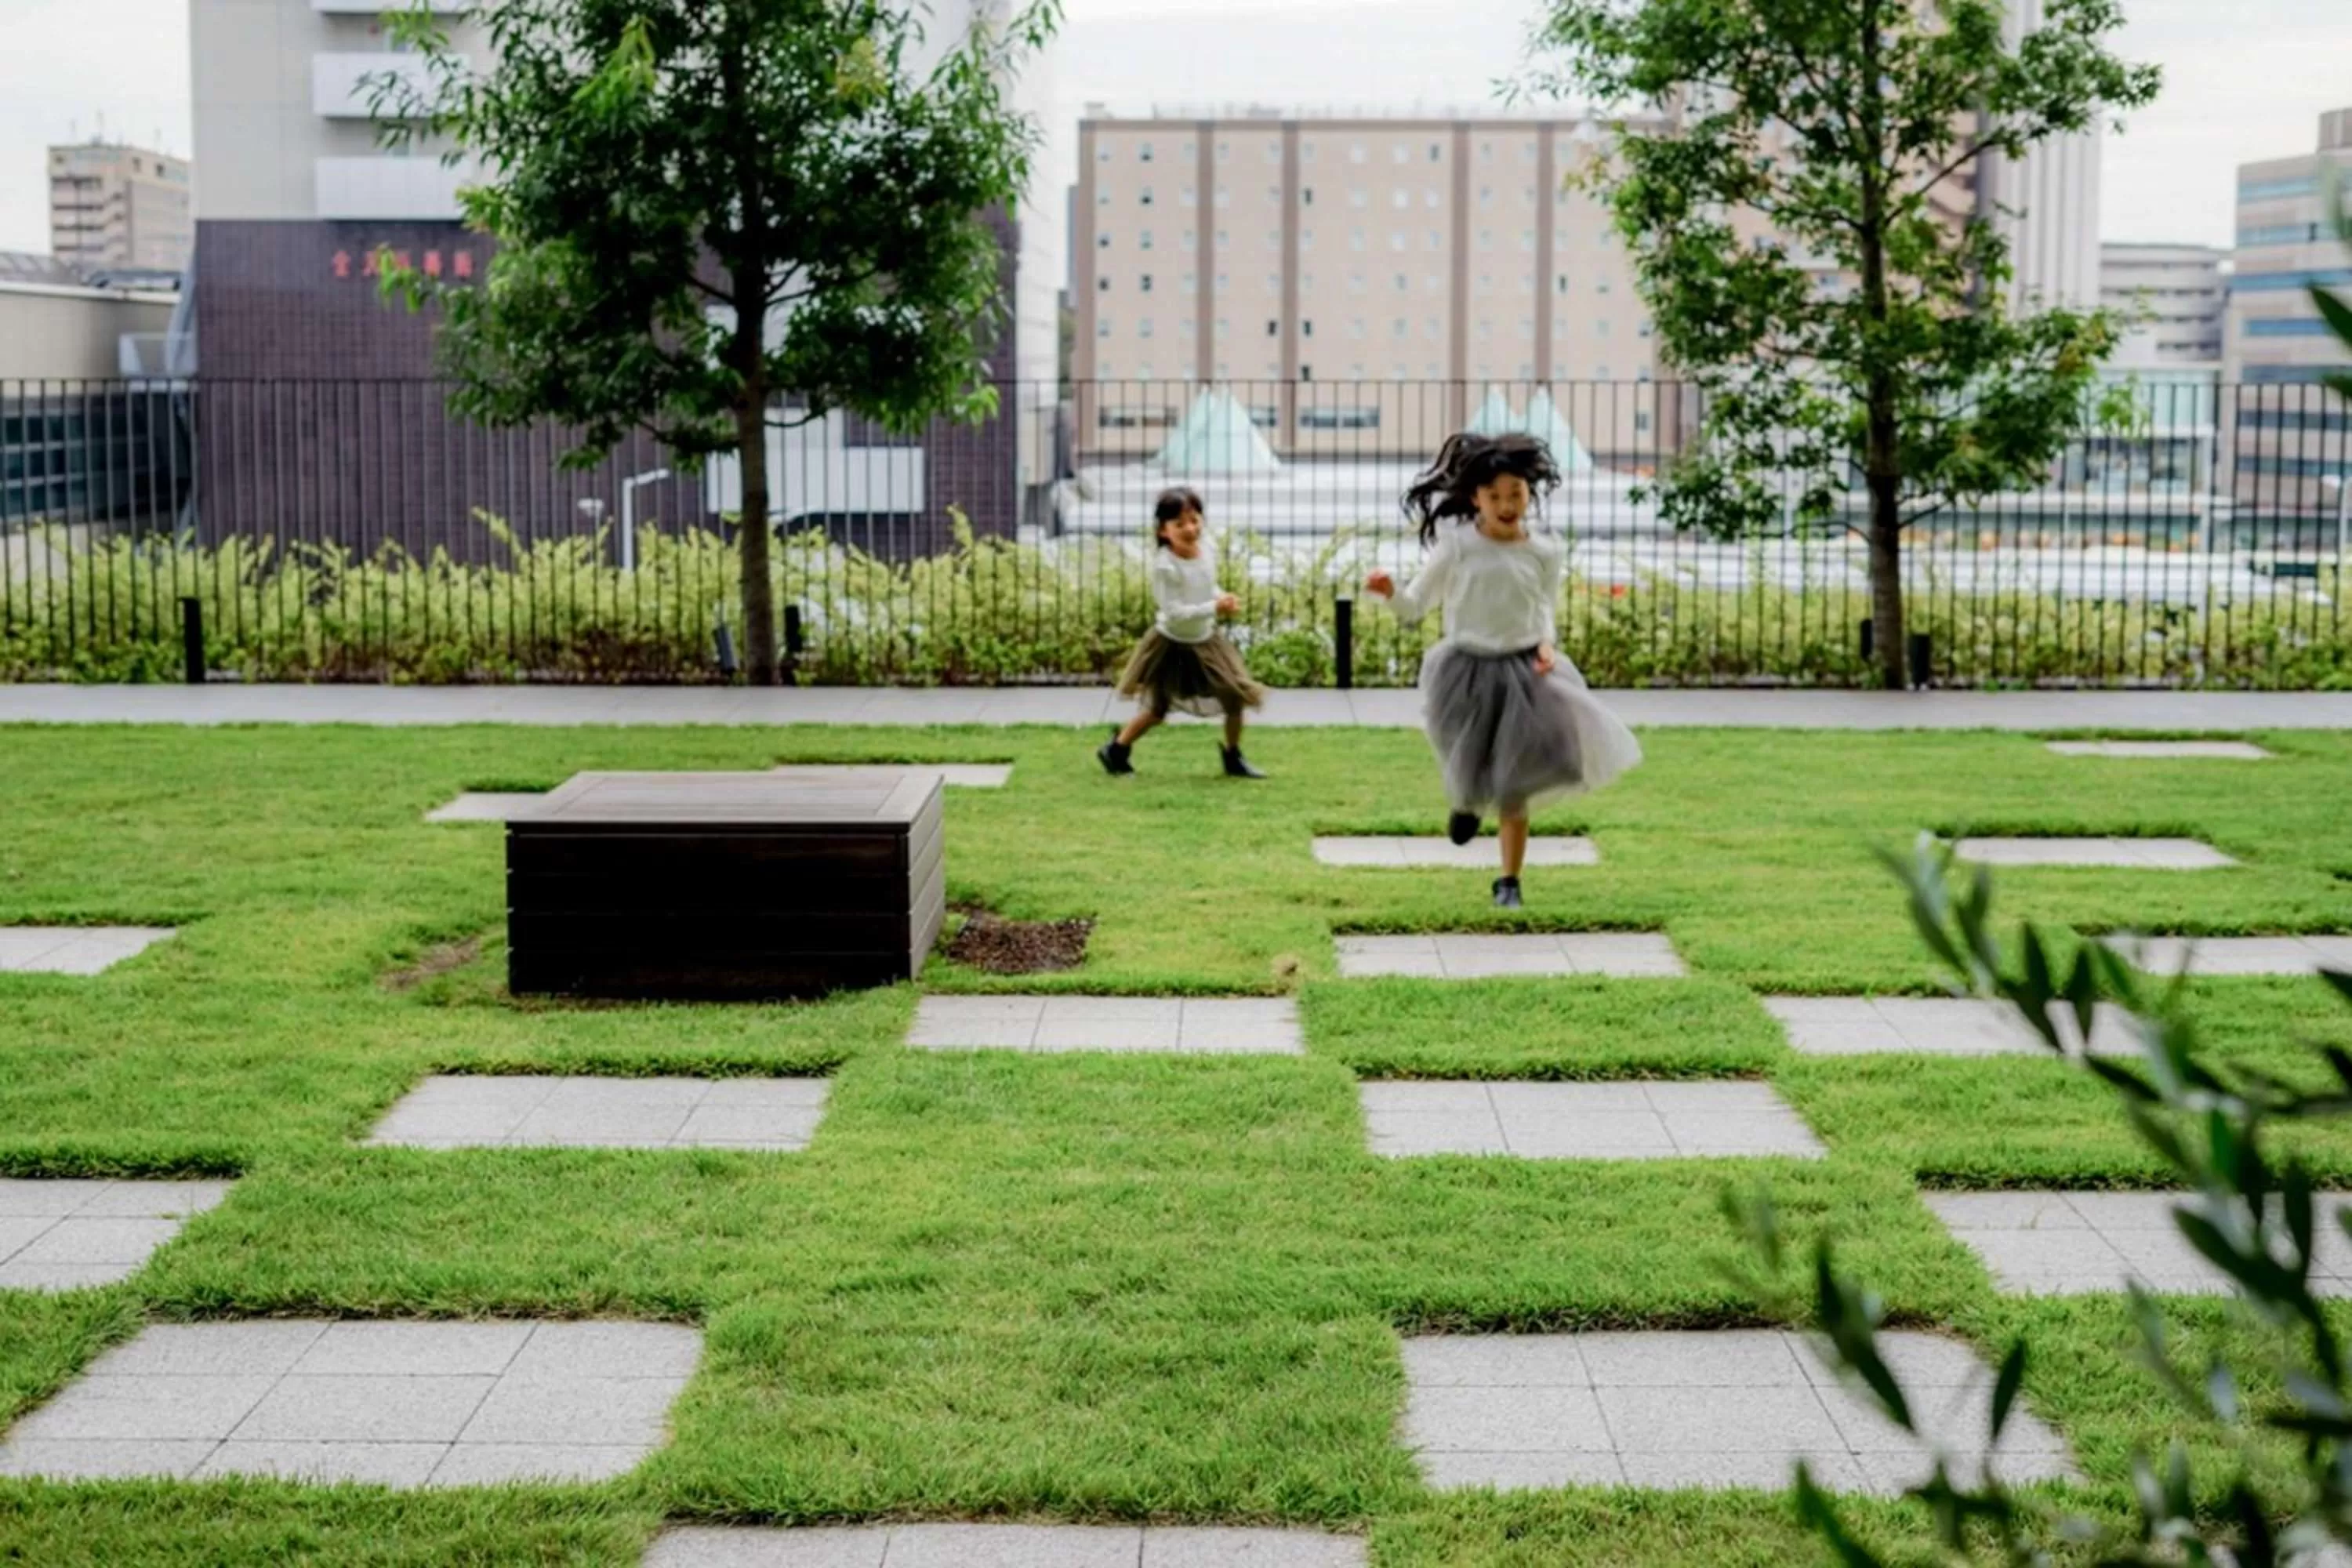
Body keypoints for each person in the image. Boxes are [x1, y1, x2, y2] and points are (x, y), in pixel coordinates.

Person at [1363, 431, 1639, 907]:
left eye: (1516, 494)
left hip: (1526, 673)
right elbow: (1415, 607)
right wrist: (1389, 591)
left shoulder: (1544, 551)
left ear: (1530, 493)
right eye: (1495, 496)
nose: (1507, 505)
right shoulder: (1458, 546)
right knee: (1469, 763)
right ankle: (1466, 805)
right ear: (1476, 498)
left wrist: (1548, 643)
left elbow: (1544, 608)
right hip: (1464, 671)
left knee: (1516, 785)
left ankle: (1509, 881)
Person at [1098, 487, 1268, 779]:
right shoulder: (1166, 567)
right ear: (1164, 531)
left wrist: (1220, 597)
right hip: (1172, 644)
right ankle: (1117, 750)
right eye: (1180, 524)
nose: (1190, 529)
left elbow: (1205, 585)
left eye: (1194, 520)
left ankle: (1233, 757)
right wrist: (1215, 606)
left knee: (1234, 696)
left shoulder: (1207, 549)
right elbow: (1174, 612)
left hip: (1205, 639)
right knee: (1157, 710)